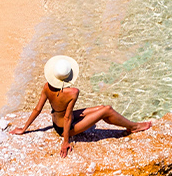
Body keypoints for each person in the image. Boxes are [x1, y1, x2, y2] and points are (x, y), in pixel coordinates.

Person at [11, 55, 152, 158]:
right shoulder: (73, 92)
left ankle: (127, 125)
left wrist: (24, 129)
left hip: (56, 123)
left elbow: (37, 109)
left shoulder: (47, 87)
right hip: (66, 128)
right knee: (107, 110)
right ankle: (134, 126)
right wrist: (65, 141)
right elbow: (67, 117)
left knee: (103, 107)